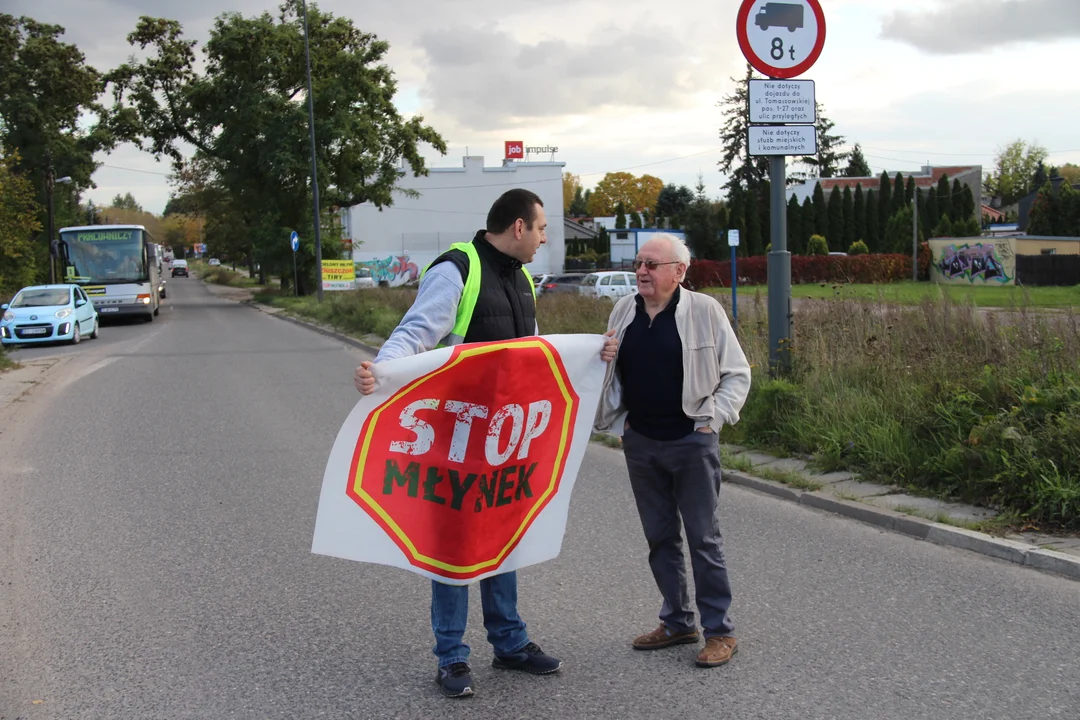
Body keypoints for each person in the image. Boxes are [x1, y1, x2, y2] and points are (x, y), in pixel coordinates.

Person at [354, 188, 618, 698]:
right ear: (518, 227)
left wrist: (590, 354)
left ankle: (510, 643)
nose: (544, 238)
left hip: (506, 438)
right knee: (453, 547)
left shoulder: (522, 282)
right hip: (456, 439)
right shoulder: (457, 270)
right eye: (541, 229)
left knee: (505, 534)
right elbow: (417, 333)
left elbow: (536, 354)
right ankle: (451, 657)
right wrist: (381, 374)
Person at [594, 233, 751, 669]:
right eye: (639, 263)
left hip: (691, 441)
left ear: (679, 272)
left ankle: (720, 630)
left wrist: (713, 418)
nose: (641, 271)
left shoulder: (704, 311)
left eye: (651, 264)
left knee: (703, 539)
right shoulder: (624, 309)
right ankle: (679, 621)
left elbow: (737, 373)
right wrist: (604, 362)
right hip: (641, 442)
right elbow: (610, 370)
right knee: (660, 538)